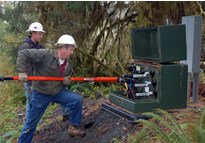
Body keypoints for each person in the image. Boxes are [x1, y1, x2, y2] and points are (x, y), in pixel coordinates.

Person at [17, 35, 85, 143]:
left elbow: (62, 82)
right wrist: (22, 71)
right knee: (31, 124)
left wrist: (65, 82)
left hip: (58, 92)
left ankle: (73, 127)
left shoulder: (69, 65)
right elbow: (23, 54)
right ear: (63, 48)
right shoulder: (45, 54)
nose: (72, 53)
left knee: (77, 100)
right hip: (41, 93)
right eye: (71, 50)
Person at [18, 22, 69, 121]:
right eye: (39, 34)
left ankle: (67, 113)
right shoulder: (25, 47)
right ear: (33, 33)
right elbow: (26, 66)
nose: (41, 36)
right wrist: (31, 83)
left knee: (59, 90)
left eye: (42, 34)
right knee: (32, 103)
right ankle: (29, 125)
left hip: (40, 79)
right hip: (32, 81)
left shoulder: (40, 47)